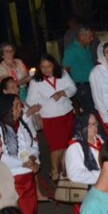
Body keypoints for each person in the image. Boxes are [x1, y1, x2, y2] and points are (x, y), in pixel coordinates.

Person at [0, 93, 41, 214]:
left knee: (30, 213)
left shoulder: (23, 124)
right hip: (11, 178)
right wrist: (23, 163)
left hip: (27, 176)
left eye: (20, 105)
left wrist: (32, 158)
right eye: (16, 106)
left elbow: (33, 144)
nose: (21, 109)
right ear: (7, 109)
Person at [26, 53, 76, 181]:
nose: (46, 69)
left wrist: (63, 92)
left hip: (66, 113)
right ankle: (54, 171)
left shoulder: (63, 74)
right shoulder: (35, 82)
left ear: (54, 65)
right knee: (55, 147)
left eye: (49, 66)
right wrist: (39, 114)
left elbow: (73, 88)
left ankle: (65, 170)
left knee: (66, 145)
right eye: (43, 67)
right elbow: (30, 101)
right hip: (50, 117)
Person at [64, 111, 103, 214]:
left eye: (95, 124)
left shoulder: (99, 140)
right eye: (90, 125)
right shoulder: (75, 147)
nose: (94, 128)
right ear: (82, 126)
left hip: (102, 188)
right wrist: (102, 175)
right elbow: (75, 174)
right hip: (88, 192)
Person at [64, 27, 97, 116]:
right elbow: (65, 69)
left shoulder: (86, 46)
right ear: (81, 36)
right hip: (82, 85)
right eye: (90, 37)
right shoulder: (71, 50)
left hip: (91, 83)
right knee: (90, 112)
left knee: (95, 109)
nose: (92, 39)